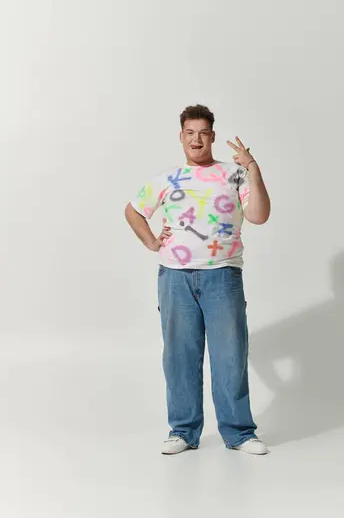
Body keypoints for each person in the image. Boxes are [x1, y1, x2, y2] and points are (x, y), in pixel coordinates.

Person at [124, 104, 271, 455]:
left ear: (212, 137)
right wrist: (152, 241)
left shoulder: (233, 174)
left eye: (203, 132)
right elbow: (133, 211)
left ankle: (239, 433)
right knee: (180, 355)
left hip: (222, 275)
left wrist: (253, 169)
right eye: (190, 132)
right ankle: (184, 431)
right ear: (181, 137)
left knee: (230, 355)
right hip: (175, 278)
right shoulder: (167, 179)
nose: (197, 139)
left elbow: (259, 215)